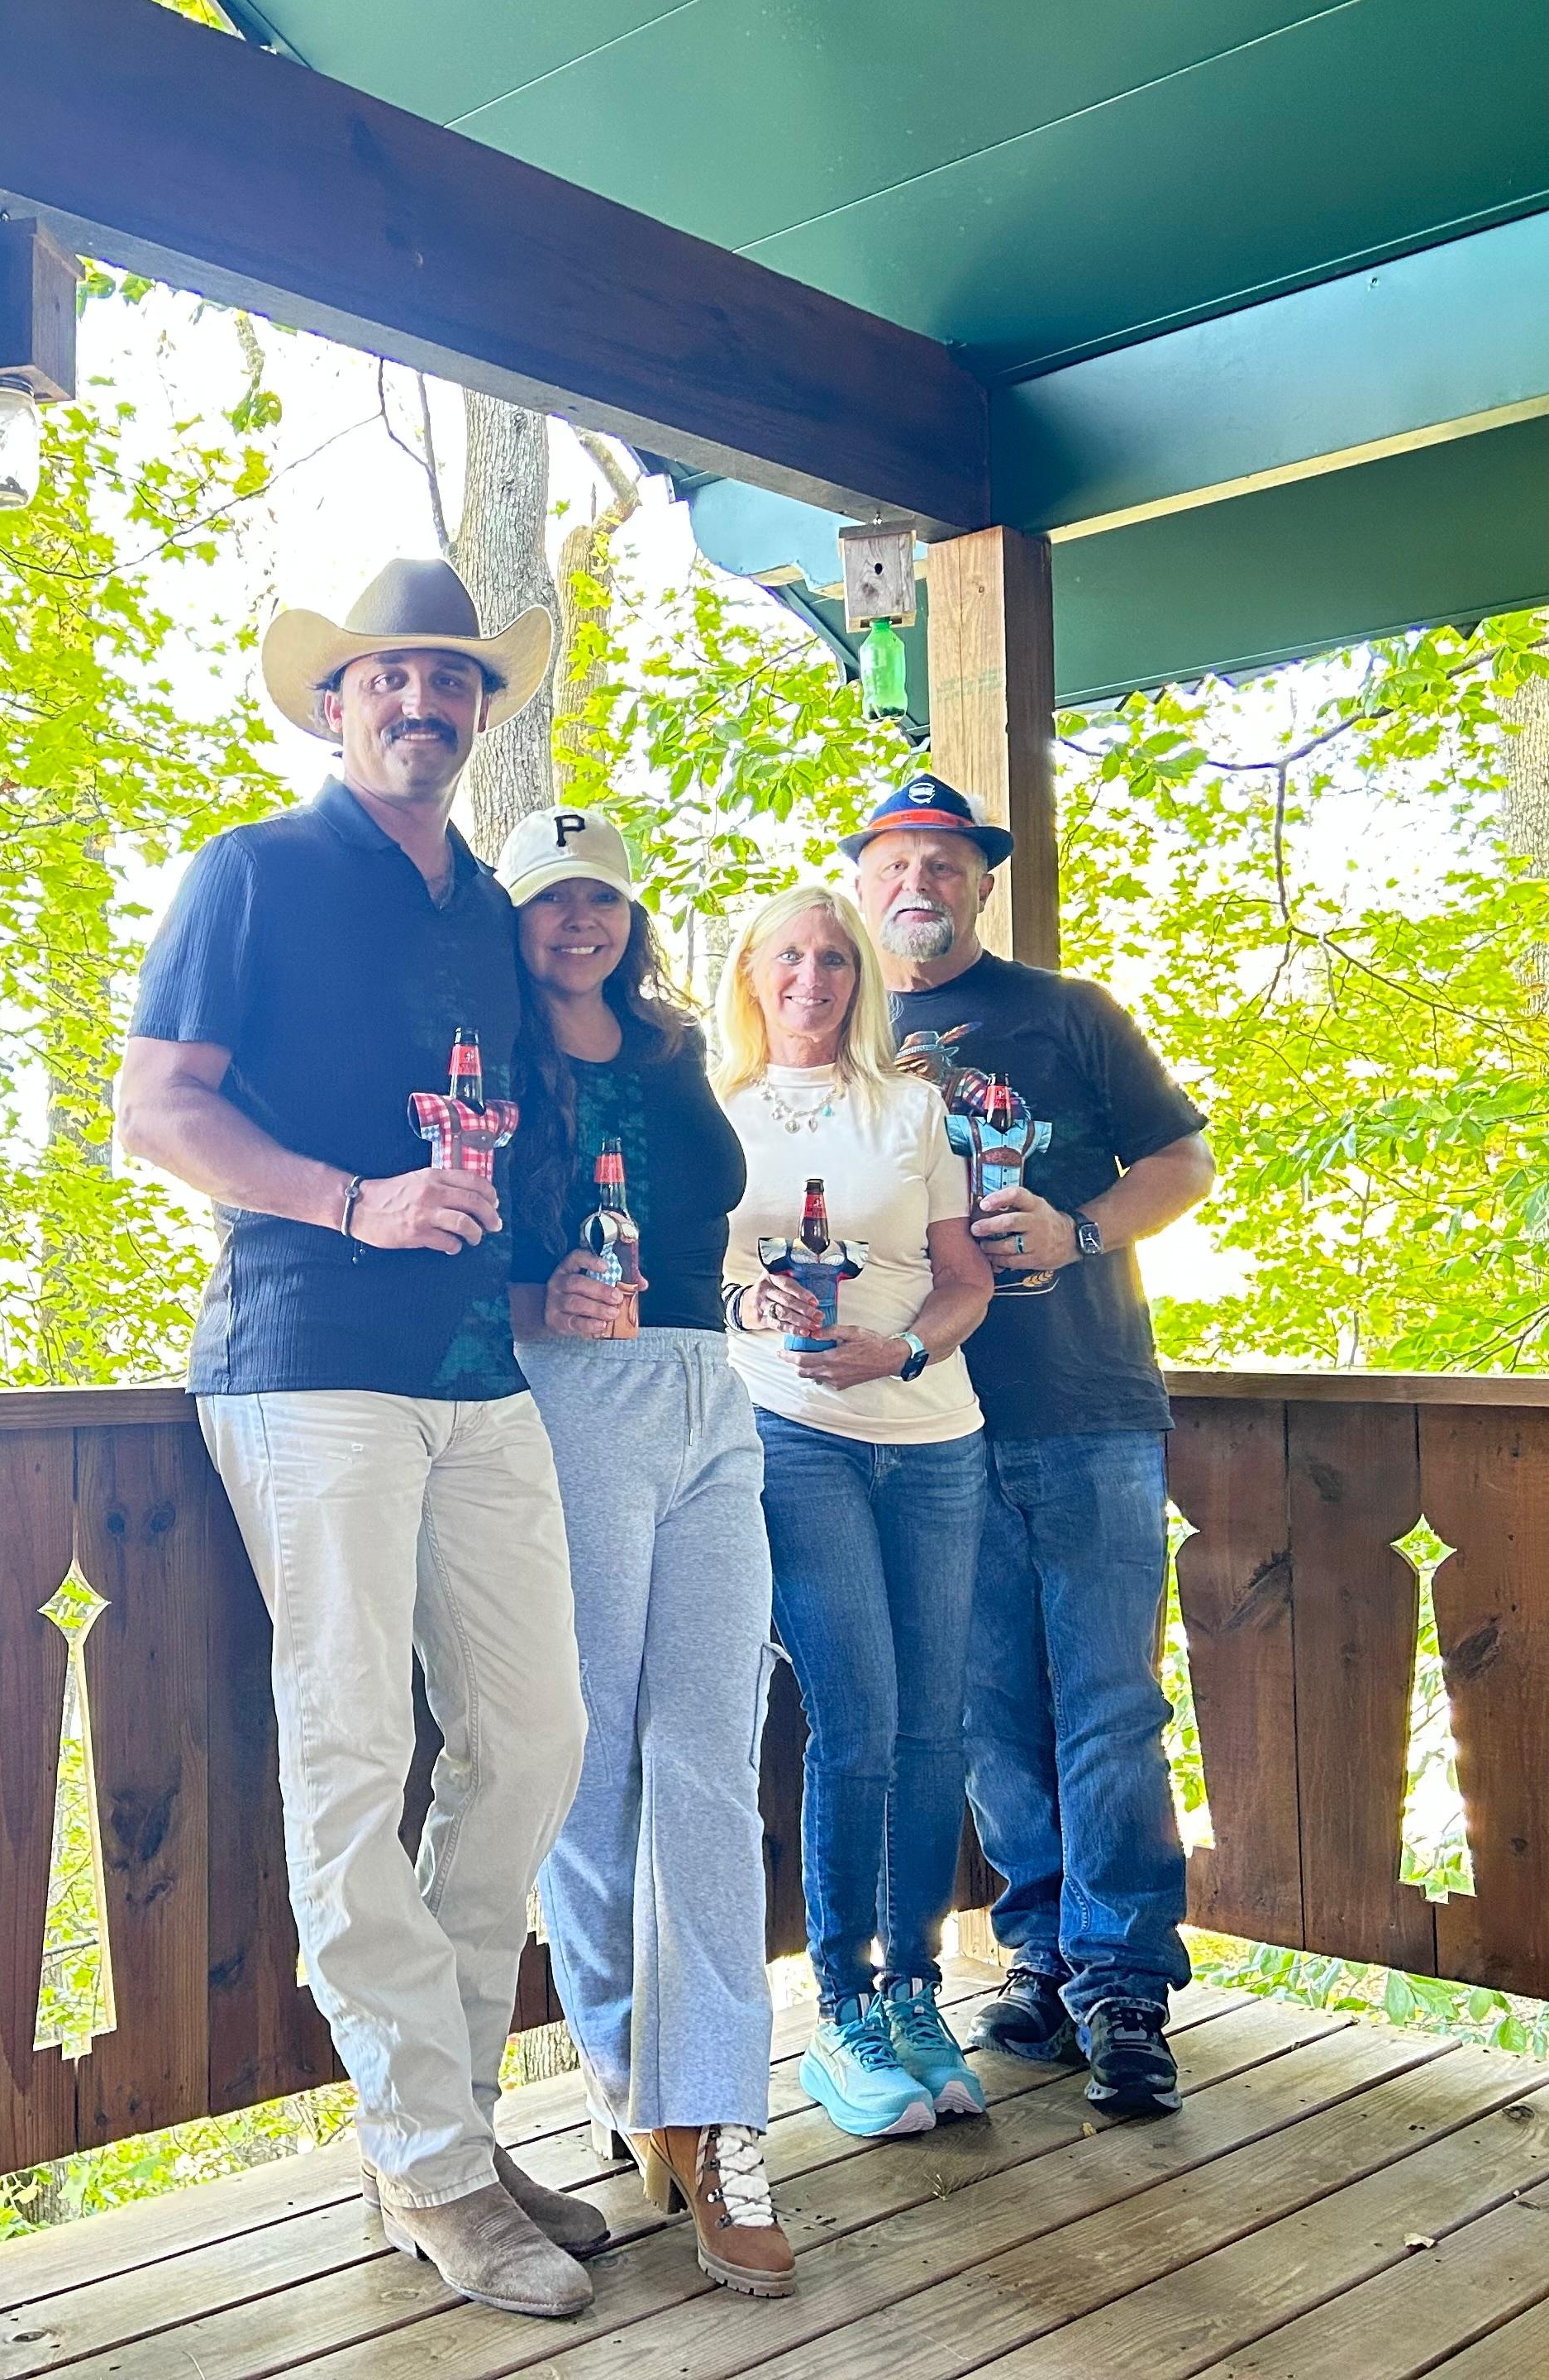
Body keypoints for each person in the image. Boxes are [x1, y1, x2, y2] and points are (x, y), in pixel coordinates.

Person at [115, 560, 598, 2320]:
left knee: (533, 1731)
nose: (422, 706)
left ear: (481, 714)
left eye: (452, 685)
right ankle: (435, 2161)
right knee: (348, 1746)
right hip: (305, 1362)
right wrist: (349, 1202)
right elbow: (155, 1105)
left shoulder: (487, 907)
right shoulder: (254, 872)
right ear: (336, 706)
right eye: (390, 680)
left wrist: (555, 1283)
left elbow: (513, 1127)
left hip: (481, 1372)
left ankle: (443, 2123)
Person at [846, 774, 1215, 2119]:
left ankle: (1126, 1984)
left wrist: (1084, 1229)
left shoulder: (1069, 1013)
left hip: (1089, 1408)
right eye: (896, 863)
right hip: (929, 1426)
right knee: (988, 1704)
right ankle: (1043, 1959)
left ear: (981, 884)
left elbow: (1182, 1162)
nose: (919, 886)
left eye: (946, 863)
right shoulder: (843, 1032)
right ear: (863, 881)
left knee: (1111, 1701)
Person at [500, 805, 792, 2299]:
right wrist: (532, 1301)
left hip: (705, 1390)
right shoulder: (487, 1056)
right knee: (594, 1755)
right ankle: (642, 2089)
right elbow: (444, 1242)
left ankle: (726, 2110)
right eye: (554, 899)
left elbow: (709, 1226)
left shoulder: (674, 1055)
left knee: (711, 1757)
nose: (582, 922)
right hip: (572, 1400)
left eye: (601, 897)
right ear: (517, 914)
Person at [712, 883, 994, 2139]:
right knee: (861, 1720)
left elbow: (965, 1276)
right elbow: (696, 1283)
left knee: (936, 1728)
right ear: (753, 975)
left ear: (857, 977)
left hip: (937, 1442)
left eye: (833, 958)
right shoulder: (713, 1113)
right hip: (794, 1441)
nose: (813, 978)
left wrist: (909, 1357)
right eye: (790, 957)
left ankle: (918, 1993)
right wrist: (761, 1312)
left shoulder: (914, 1108)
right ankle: (843, 2013)